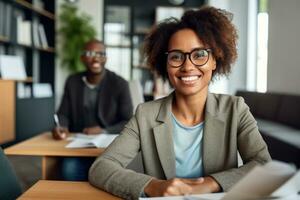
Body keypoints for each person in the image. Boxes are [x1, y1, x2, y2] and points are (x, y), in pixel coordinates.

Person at [89, 6, 271, 199]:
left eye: (199, 54)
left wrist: (211, 184)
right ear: (165, 64)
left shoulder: (235, 109)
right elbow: (101, 168)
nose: (187, 66)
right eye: (176, 56)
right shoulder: (146, 115)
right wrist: (153, 186)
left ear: (215, 61)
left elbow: (262, 164)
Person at [52, 39, 133, 181]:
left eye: (101, 53)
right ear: (82, 58)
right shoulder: (73, 81)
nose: (96, 58)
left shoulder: (119, 83)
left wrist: (104, 130)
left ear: (106, 58)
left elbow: (128, 120)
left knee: (107, 174)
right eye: (90, 53)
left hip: (109, 146)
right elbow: (63, 114)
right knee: (69, 170)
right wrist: (61, 126)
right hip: (78, 145)